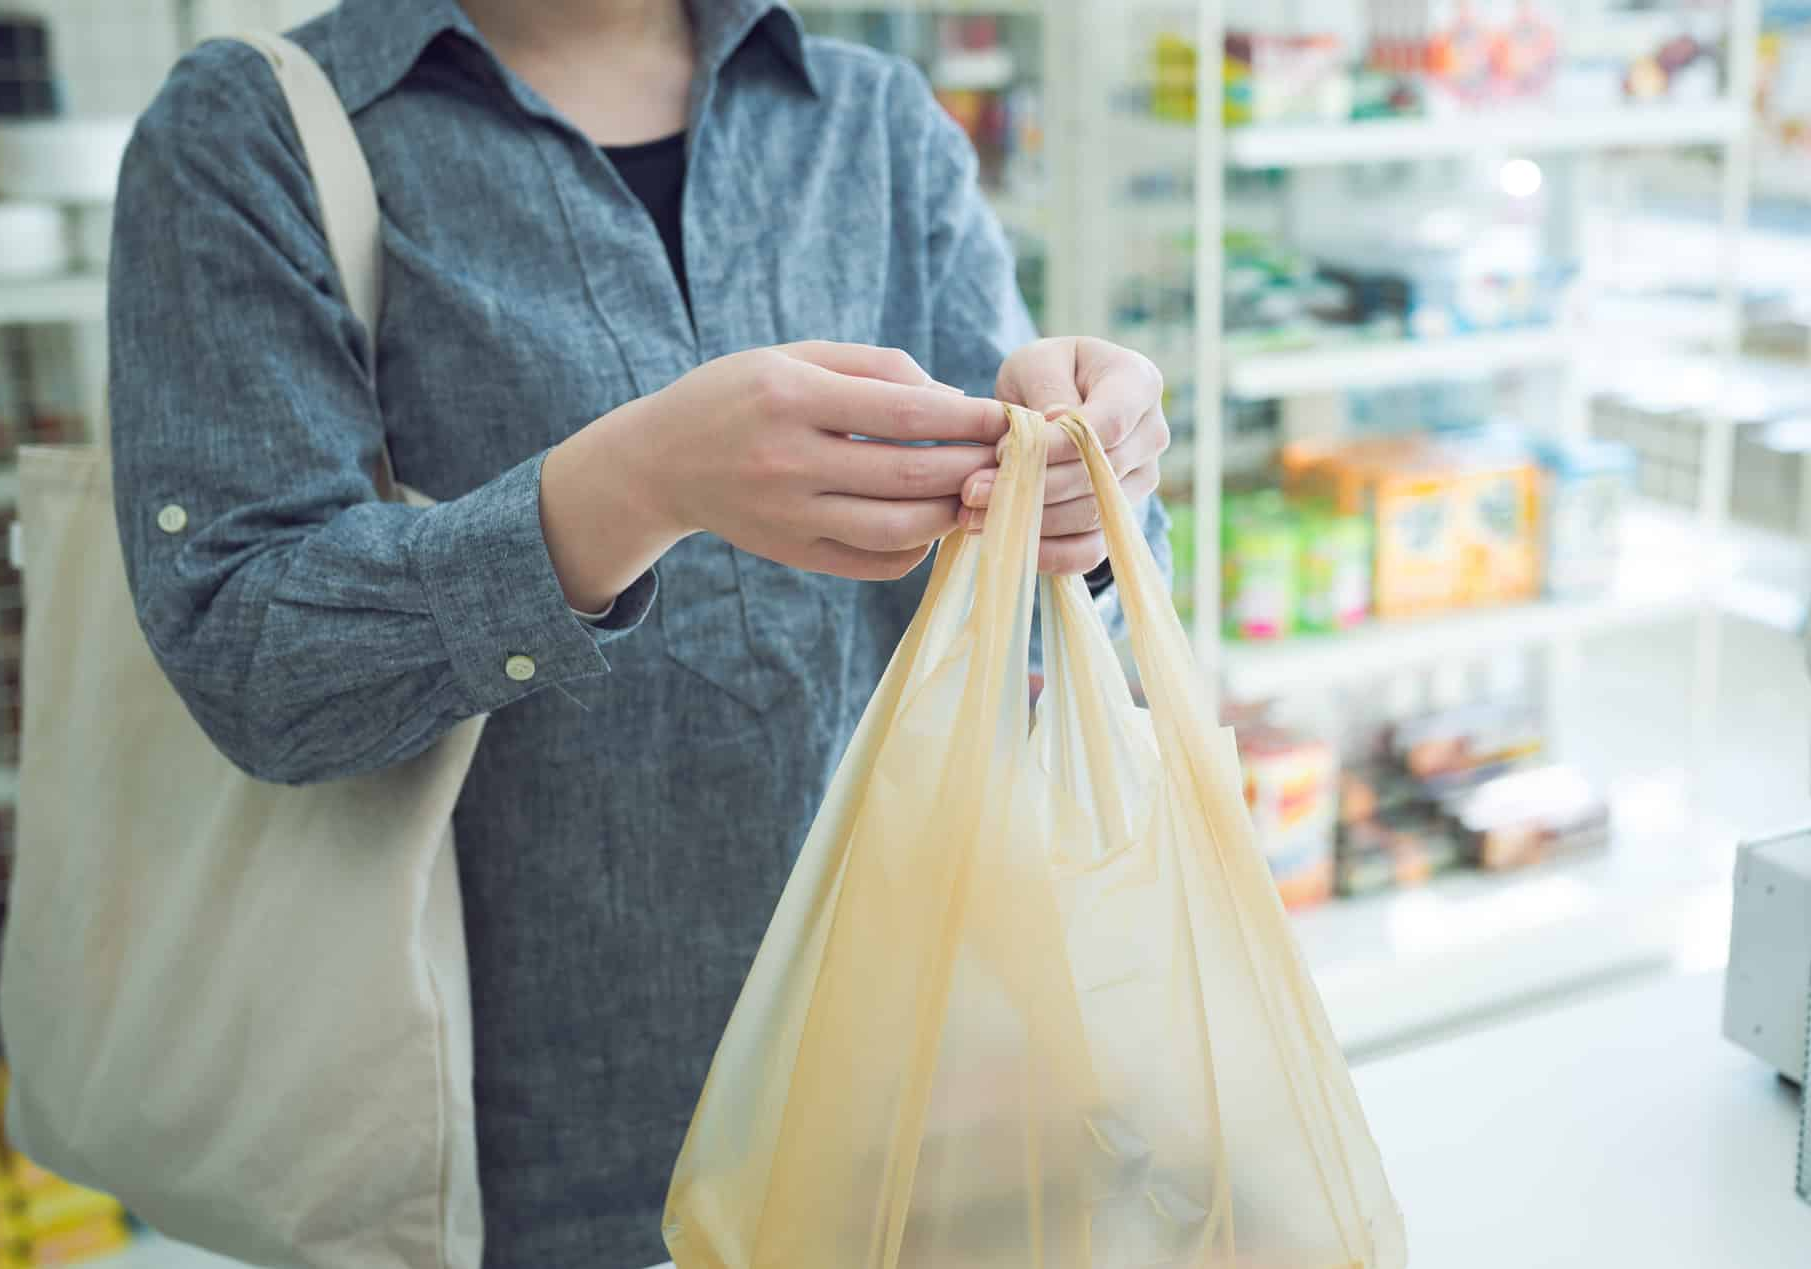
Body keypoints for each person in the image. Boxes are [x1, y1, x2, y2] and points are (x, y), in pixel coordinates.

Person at [108, 0, 1171, 1262]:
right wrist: (629, 490)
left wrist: (1082, 504)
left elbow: (1065, 631)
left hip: (915, 1091)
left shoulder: (874, 121)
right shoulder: (254, 128)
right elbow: (255, 666)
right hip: (490, 1158)